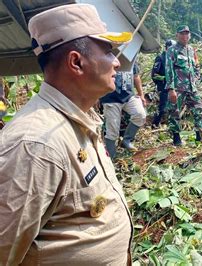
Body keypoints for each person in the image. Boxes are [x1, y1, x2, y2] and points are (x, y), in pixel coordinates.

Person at [0, 4, 133, 265]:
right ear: (76, 62)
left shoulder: (80, 119)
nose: (117, 62)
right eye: (107, 51)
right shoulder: (35, 145)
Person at [165, 25, 202, 146]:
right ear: (177, 35)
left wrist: (196, 77)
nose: (185, 36)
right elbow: (169, 69)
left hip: (191, 88)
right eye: (182, 33)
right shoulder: (172, 50)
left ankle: (200, 136)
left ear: (190, 35)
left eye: (187, 33)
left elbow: (195, 66)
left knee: (200, 109)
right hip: (178, 88)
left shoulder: (191, 50)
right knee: (174, 112)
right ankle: (176, 138)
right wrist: (171, 89)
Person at [100, 62, 146, 158]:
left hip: (129, 95)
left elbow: (136, 77)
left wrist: (141, 94)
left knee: (140, 114)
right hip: (111, 97)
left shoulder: (130, 57)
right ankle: (111, 157)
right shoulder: (109, 57)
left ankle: (126, 140)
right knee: (112, 130)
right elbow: (97, 77)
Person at [151, 39, 176, 127]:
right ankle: (155, 124)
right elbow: (154, 75)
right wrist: (165, 78)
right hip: (163, 87)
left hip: (174, 87)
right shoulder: (161, 58)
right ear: (166, 48)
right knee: (162, 108)